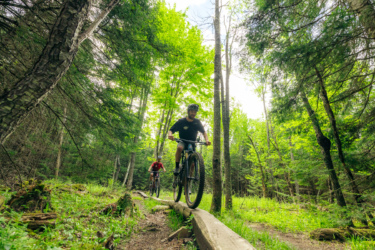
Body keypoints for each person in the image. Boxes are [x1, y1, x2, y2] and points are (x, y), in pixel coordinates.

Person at [167, 104, 211, 175]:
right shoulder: (181, 121)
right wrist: (170, 135)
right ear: (188, 112)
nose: (193, 113)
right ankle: (177, 167)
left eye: (195, 112)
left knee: (192, 165)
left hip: (192, 143)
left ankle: (188, 182)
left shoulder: (197, 122)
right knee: (179, 147)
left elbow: (204, 132)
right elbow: (171, 130)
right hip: (182, 141)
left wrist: (207, 140)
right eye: (192, 111)